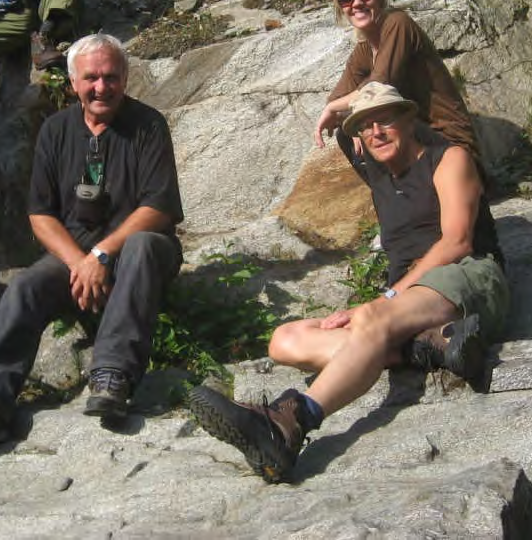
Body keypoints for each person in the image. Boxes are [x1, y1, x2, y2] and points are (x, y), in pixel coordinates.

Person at [190, 81, 509, 483]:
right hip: (411, 304)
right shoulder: (377, 169)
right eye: (367, 125)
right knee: (285, 340)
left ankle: (291, 420)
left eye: (386, 119)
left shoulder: (448, 159)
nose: (376, 132)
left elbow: (457, 241)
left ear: (409, 119)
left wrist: (390, 295)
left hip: (467, 276)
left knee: (371, 319)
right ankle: (431, 346)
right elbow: (342, 125)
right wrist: (338, 110)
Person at [0, 33, 183, 444]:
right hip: (77, 254)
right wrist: (80, 262)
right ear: (73, 83)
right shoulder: (55, 130)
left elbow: (158, 207)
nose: (101, 87)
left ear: (125, 78)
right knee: (26, 285)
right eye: (91, 78)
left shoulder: (148, 126)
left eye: (111, 77)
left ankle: (112, 374)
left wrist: (101, 254)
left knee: (142, 246)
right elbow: (40, 214)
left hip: (139, 251)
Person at [313, 0, 480, 173]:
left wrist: (336, 110)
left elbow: (378, 85)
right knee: (348, 133)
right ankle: (393, 198)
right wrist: (345, 117)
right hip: (413, 140)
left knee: (369, 123)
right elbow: (338, 98)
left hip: (449, 144)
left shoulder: (398, 23)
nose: (356, 3)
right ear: (341, 8)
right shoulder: (363, 49)